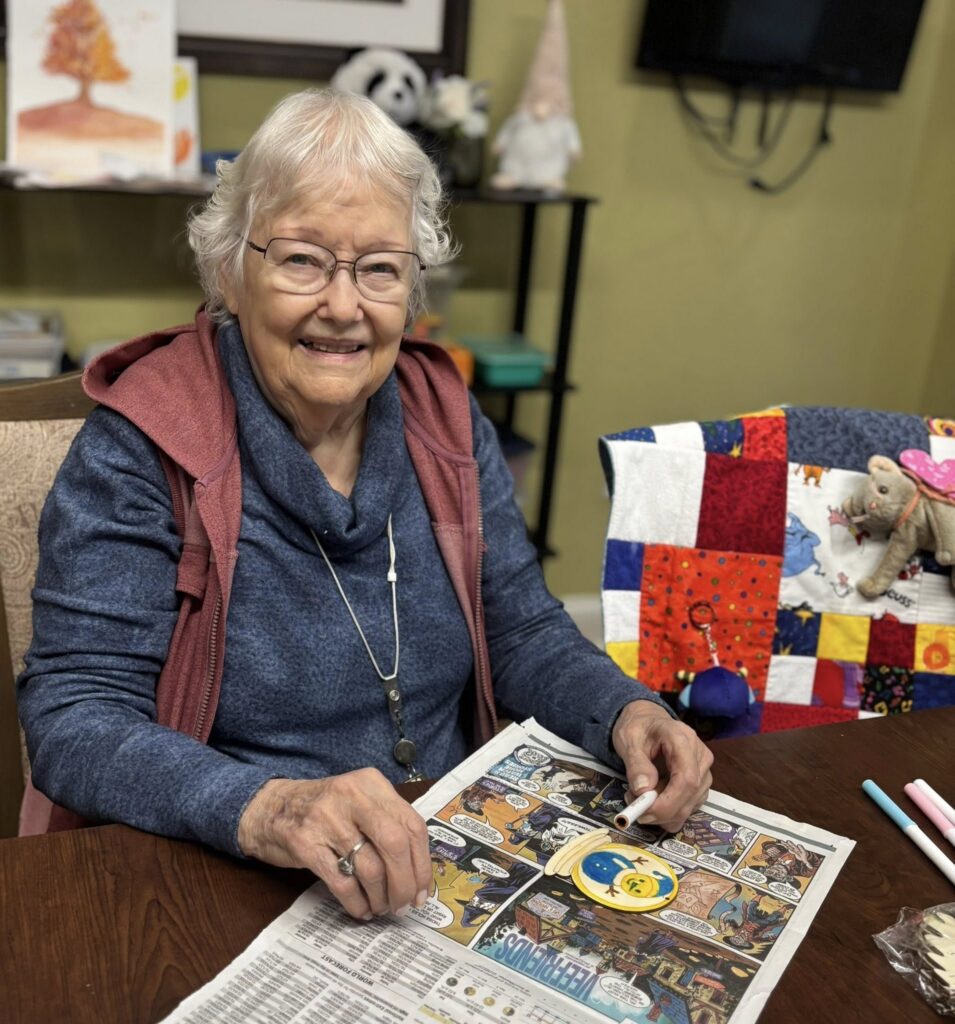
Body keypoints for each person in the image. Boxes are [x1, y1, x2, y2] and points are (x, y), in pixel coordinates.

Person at [17, 89, 712, 922]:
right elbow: (74, 716)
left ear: (412, 291)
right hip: (229, 863)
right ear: (232, 272)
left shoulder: (443, 414)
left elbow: (520, 625)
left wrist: (624, 709)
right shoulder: (141, 443)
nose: (343, 307)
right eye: (302, 259)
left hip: (441, 849)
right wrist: (267, 807)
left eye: (379, 268)